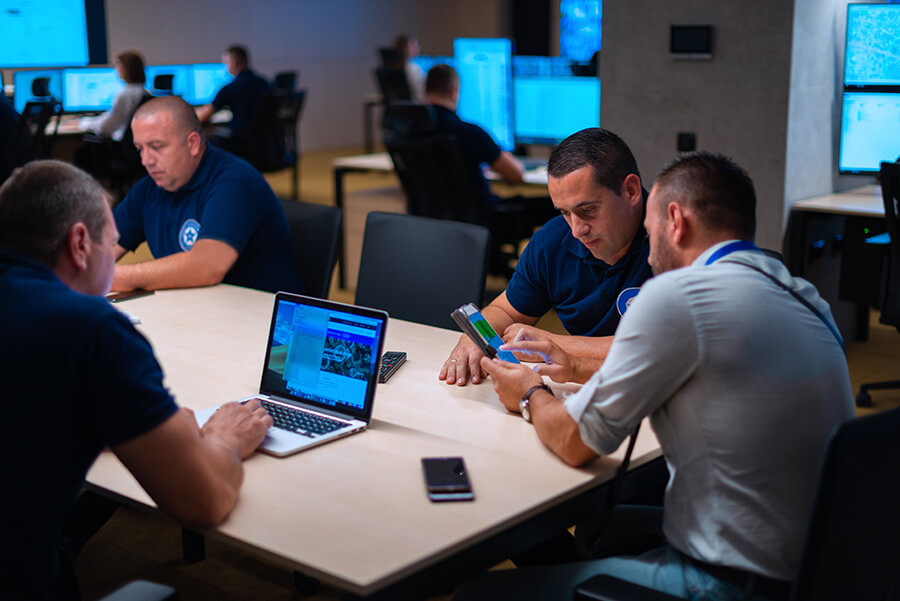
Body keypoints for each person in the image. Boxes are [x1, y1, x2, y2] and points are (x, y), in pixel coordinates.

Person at [457, 151, 855, 601]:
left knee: (480, 592)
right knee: (595, 528)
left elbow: (574, 441)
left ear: (674, 221)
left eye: (649, 229)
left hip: (731, 579)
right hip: (821, 564)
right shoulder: (802, 294)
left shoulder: (679, 295)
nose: (648, 255)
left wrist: (528, 393)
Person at [0, 160, 273, 600]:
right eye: (113, 244)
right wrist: (224, 439)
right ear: (79, 244)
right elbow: (203, 503)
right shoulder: (92, 330)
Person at [440, 127, 652, 386]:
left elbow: (658, 347)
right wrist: (475, 338)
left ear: (630, 190)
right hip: (583, 393)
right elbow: (504, 311)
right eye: (565, 212)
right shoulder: (553, 240)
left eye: (587, 210)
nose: (577, 230)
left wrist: (547, 344)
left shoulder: (676, 243)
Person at [112, 95, 300, 294]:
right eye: (140, 148)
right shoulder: (149, 189)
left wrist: (116, 277)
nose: (146, 160)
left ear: (193, 143)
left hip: (258, 315)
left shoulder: (234, 181)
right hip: (197, 309)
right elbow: (100, 249)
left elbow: (206, 267)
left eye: (156, 147)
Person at [196, 44, 270, 139]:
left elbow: (204, 115)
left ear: (234, 63)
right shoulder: (265, 83)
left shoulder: (231, 88)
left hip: (240, 141)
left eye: (226, 63)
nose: (225, 67)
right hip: (264, 142)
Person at [79, 49, 149, 141]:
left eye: (118, 65)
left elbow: (107, 127)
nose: (116, 69)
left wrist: (85, 124)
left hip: (121, 145)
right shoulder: (145, 92)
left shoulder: (125, 95)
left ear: (126, 68)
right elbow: (113, 117)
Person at [395, 34, 425, 101]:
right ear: (404, 49)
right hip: (416, 107)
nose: (418, 48)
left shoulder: (393, 67)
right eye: (414, 45)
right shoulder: (413, 68)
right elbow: (420, 95)